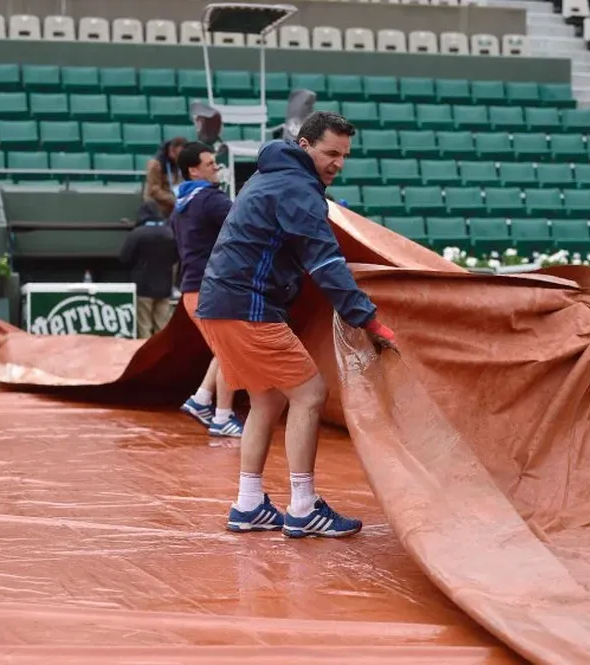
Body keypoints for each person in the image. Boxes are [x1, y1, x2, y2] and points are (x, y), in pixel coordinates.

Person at [192, 111, 398, 539]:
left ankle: (248, 504)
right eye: (330, 153)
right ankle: (303, 508)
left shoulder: (269, 178)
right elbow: (324, 260)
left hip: (221, 303)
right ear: (304, 146)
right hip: (248, 305)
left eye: (344, 155)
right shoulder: (297, 187)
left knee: (267, 402)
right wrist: (369, 319)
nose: (338, 163)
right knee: (310, 393)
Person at [170, 141, 245, 437]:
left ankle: (201, 400)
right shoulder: (210, 200)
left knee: (224, 350)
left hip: (193, 291)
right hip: (211, 290)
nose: (216, 167)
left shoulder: (180, 207)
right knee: (231, 353)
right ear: (193, 170)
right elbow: (246, 222)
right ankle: (222, 416)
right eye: (210, 163)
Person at [118, 214, 180, 340]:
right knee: (162, 327)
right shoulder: (171, 233)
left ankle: (146, 355)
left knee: (144, 326)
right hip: (165, 287)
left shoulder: (137, 233)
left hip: (143, 287)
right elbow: (177, 256)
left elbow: (124, 258)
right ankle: (162, 357)